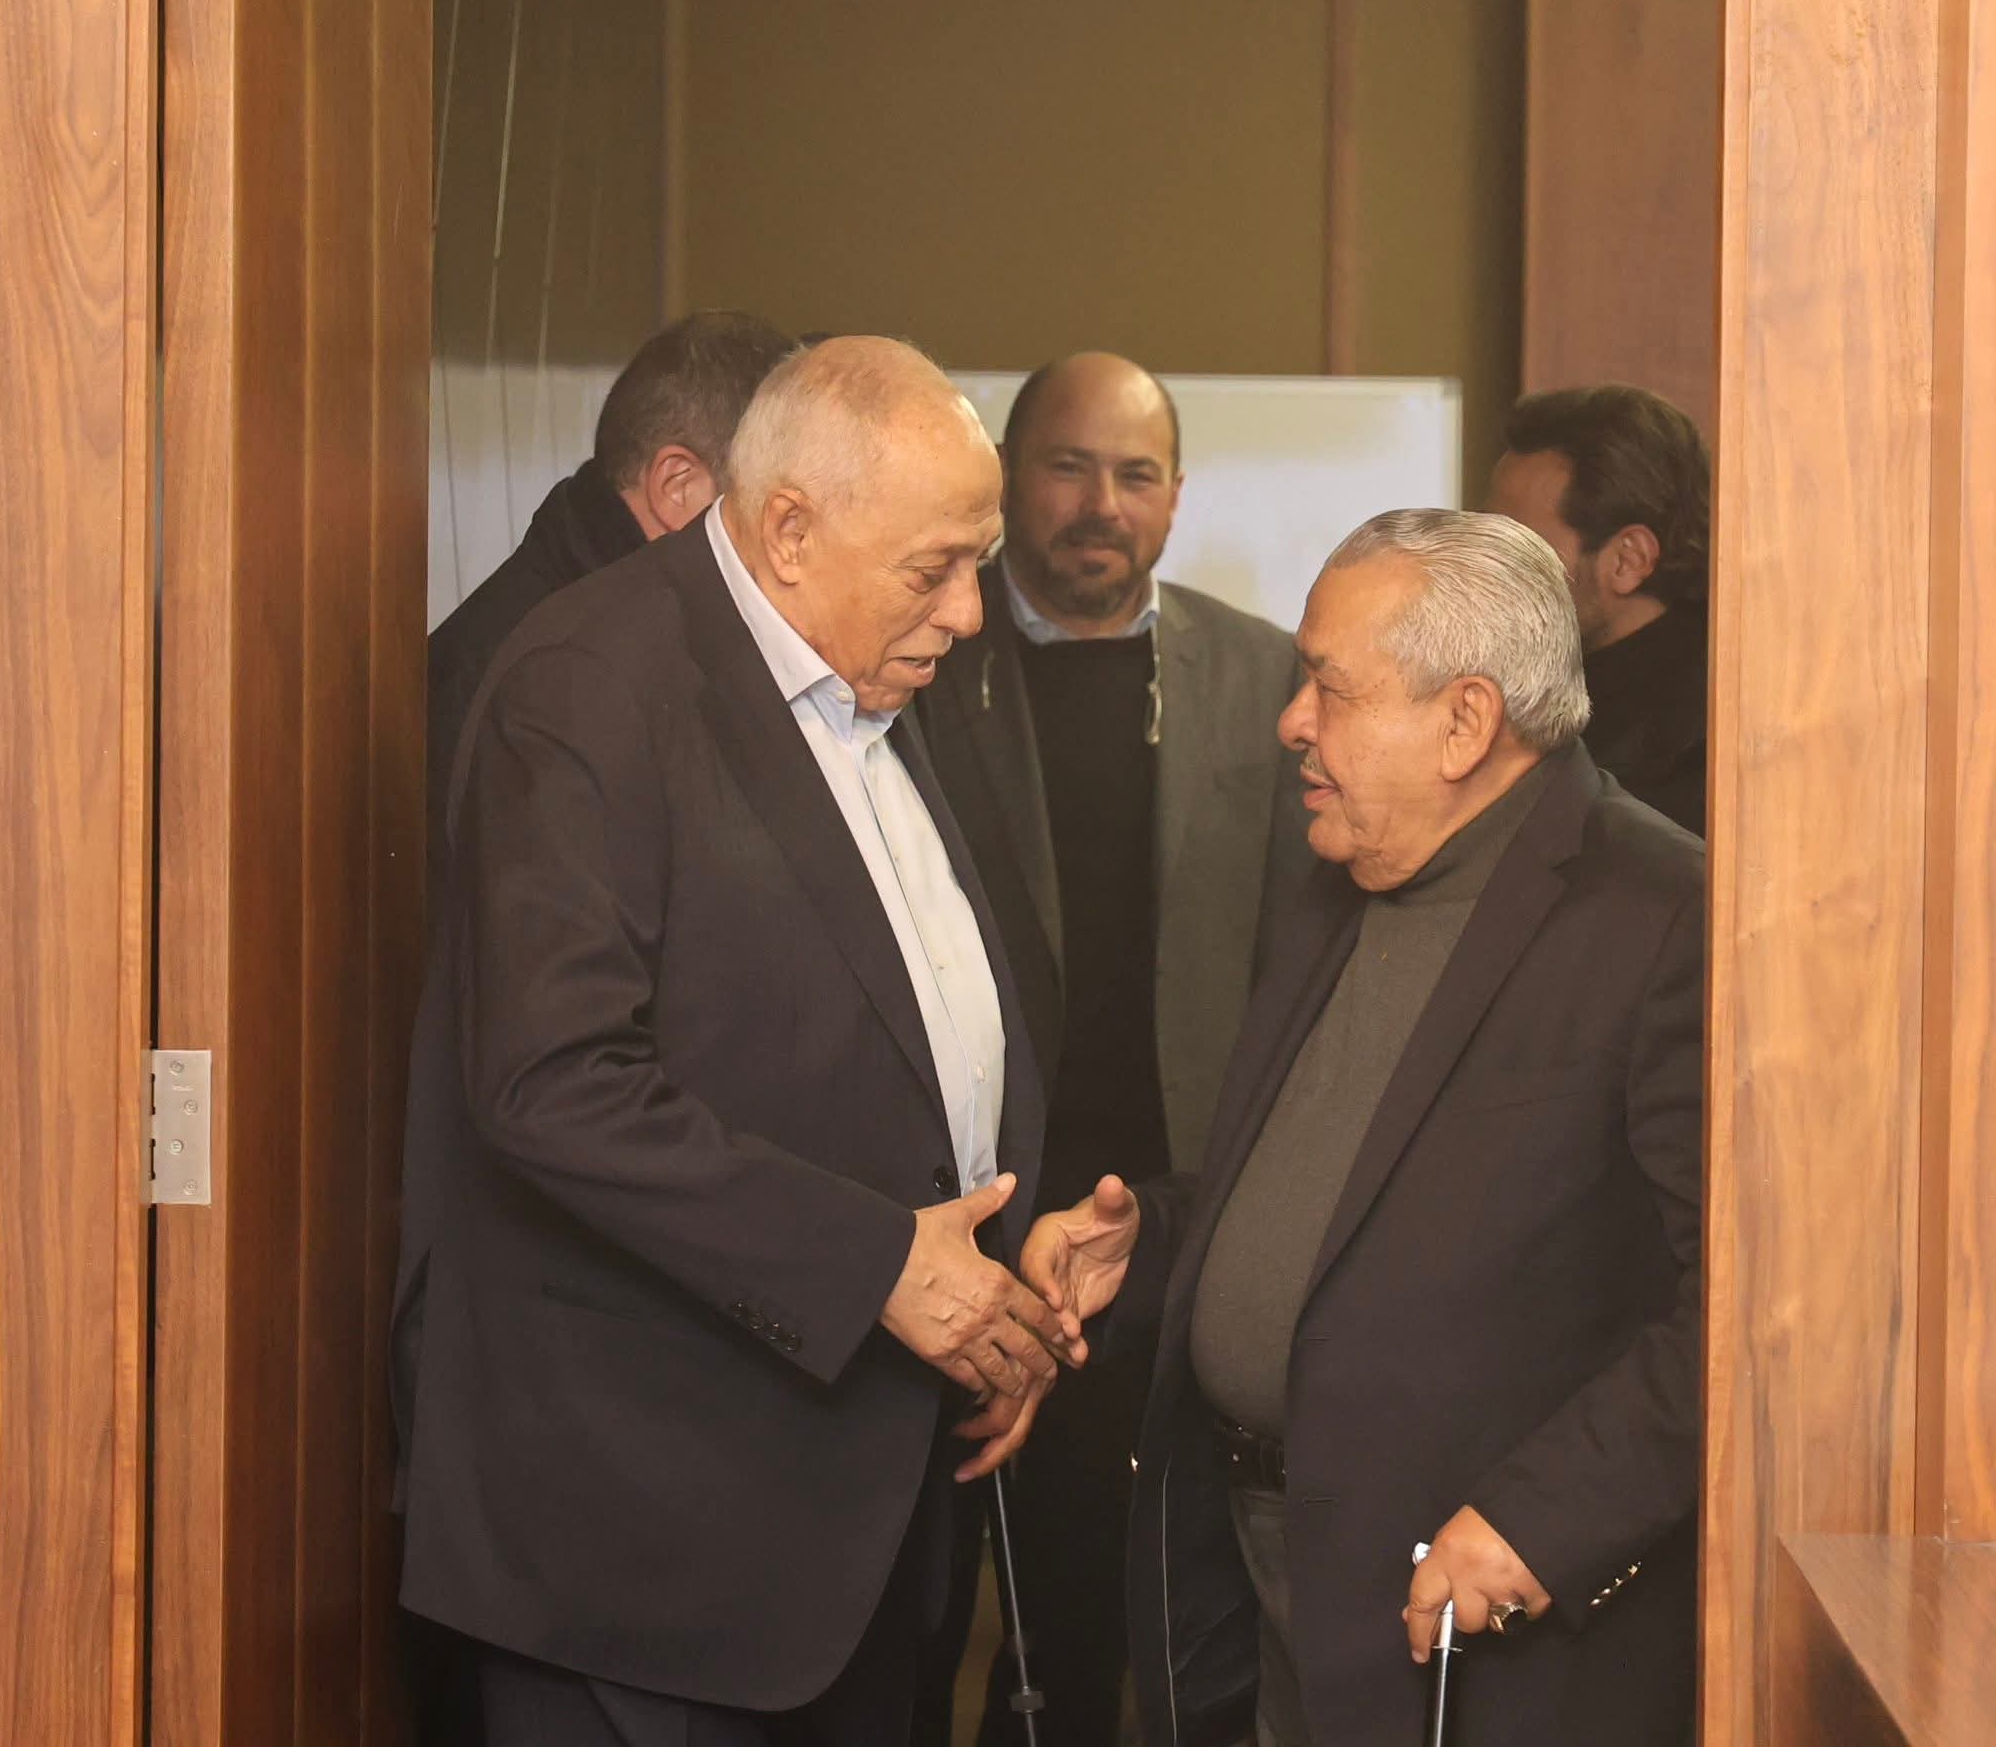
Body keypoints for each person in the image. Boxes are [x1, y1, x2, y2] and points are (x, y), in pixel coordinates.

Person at [396, 337, 1081, 1744]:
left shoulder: (869, 659)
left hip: (851, 1517)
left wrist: (993, 1282)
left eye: (976, 564)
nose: (968, 612)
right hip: (645, 1547)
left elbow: (879, 1018)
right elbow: (549, 1085)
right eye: (935, 569)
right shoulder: (589, 685)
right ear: (788, 531)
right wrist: (881, 1264)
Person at [1026, 509, 1704, 1746]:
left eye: (1328, 688)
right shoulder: (1337, 874)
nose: (1291, 721)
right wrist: (1158, 1244)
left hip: (1465, 1624)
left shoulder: (1660, 915)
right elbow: (1331, 1189)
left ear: (1464, 721)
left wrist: (1546, 1517)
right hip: (1248, 1570)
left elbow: (1749, 1311)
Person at [914, 351, 1303, 1745]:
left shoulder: (1263, 674)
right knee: (1024, 1591)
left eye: (1136, 475)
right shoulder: (930, 660)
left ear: (1177, 496)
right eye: (1069, 467)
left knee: (1195, 1589)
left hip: (1192, 1205)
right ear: (1009, 480)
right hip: (989, 1205)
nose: (1101, 504)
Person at [424, 308, 792, 894]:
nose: (794, 547)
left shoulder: (630, 624)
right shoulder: (537, 679)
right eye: (779, 509)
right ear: (679, 488)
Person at [1486, 384, 1711, 833]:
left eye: (1520, 550)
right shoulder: (1523, 678)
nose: (1489, 571)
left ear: (1629, 560)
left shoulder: (1701, 748)